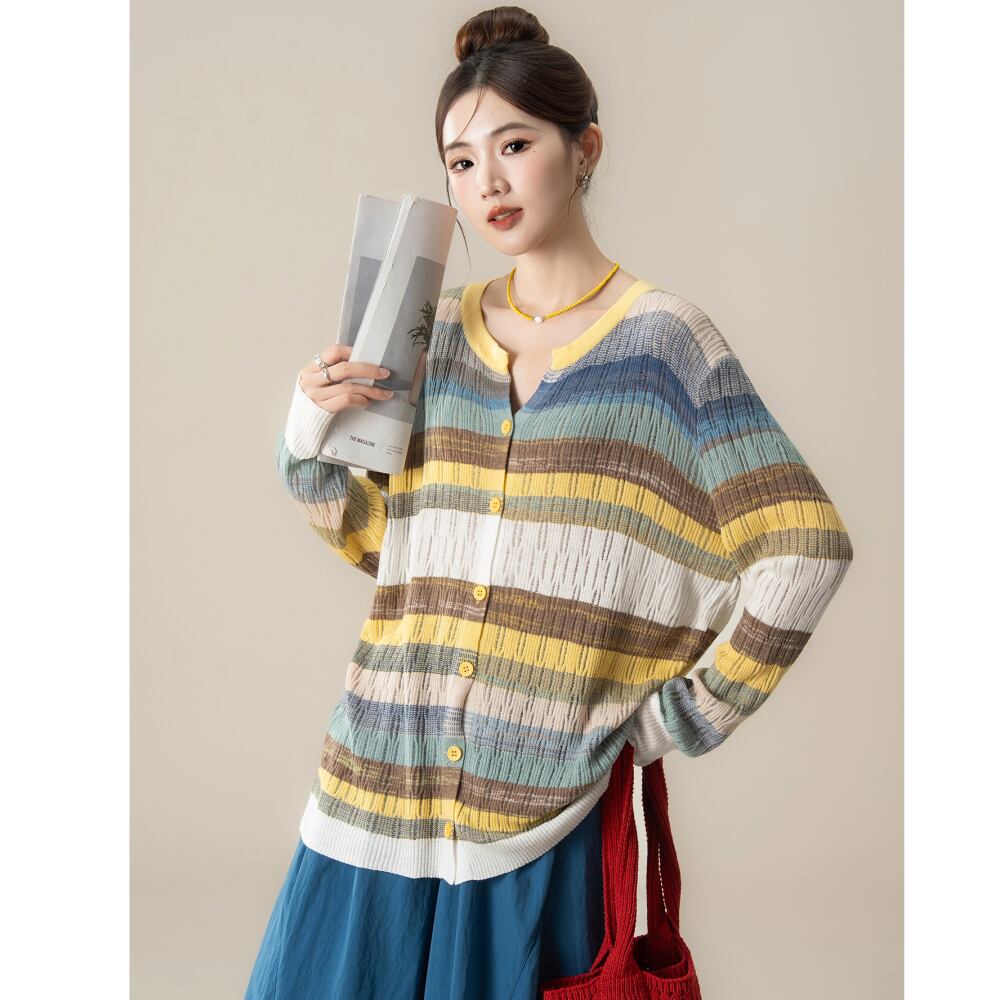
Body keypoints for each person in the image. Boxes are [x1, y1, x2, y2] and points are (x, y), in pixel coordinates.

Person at [245, 6, 855, 999]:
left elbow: (807, 547)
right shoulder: (434, 333)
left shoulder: (666, 347)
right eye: (460, 160)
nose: (486, 181)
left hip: (537, 817)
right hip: (375, 790)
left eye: (514, 145)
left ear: (585, 150)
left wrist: (678, 720)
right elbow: (389, 548)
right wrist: (309, 432)